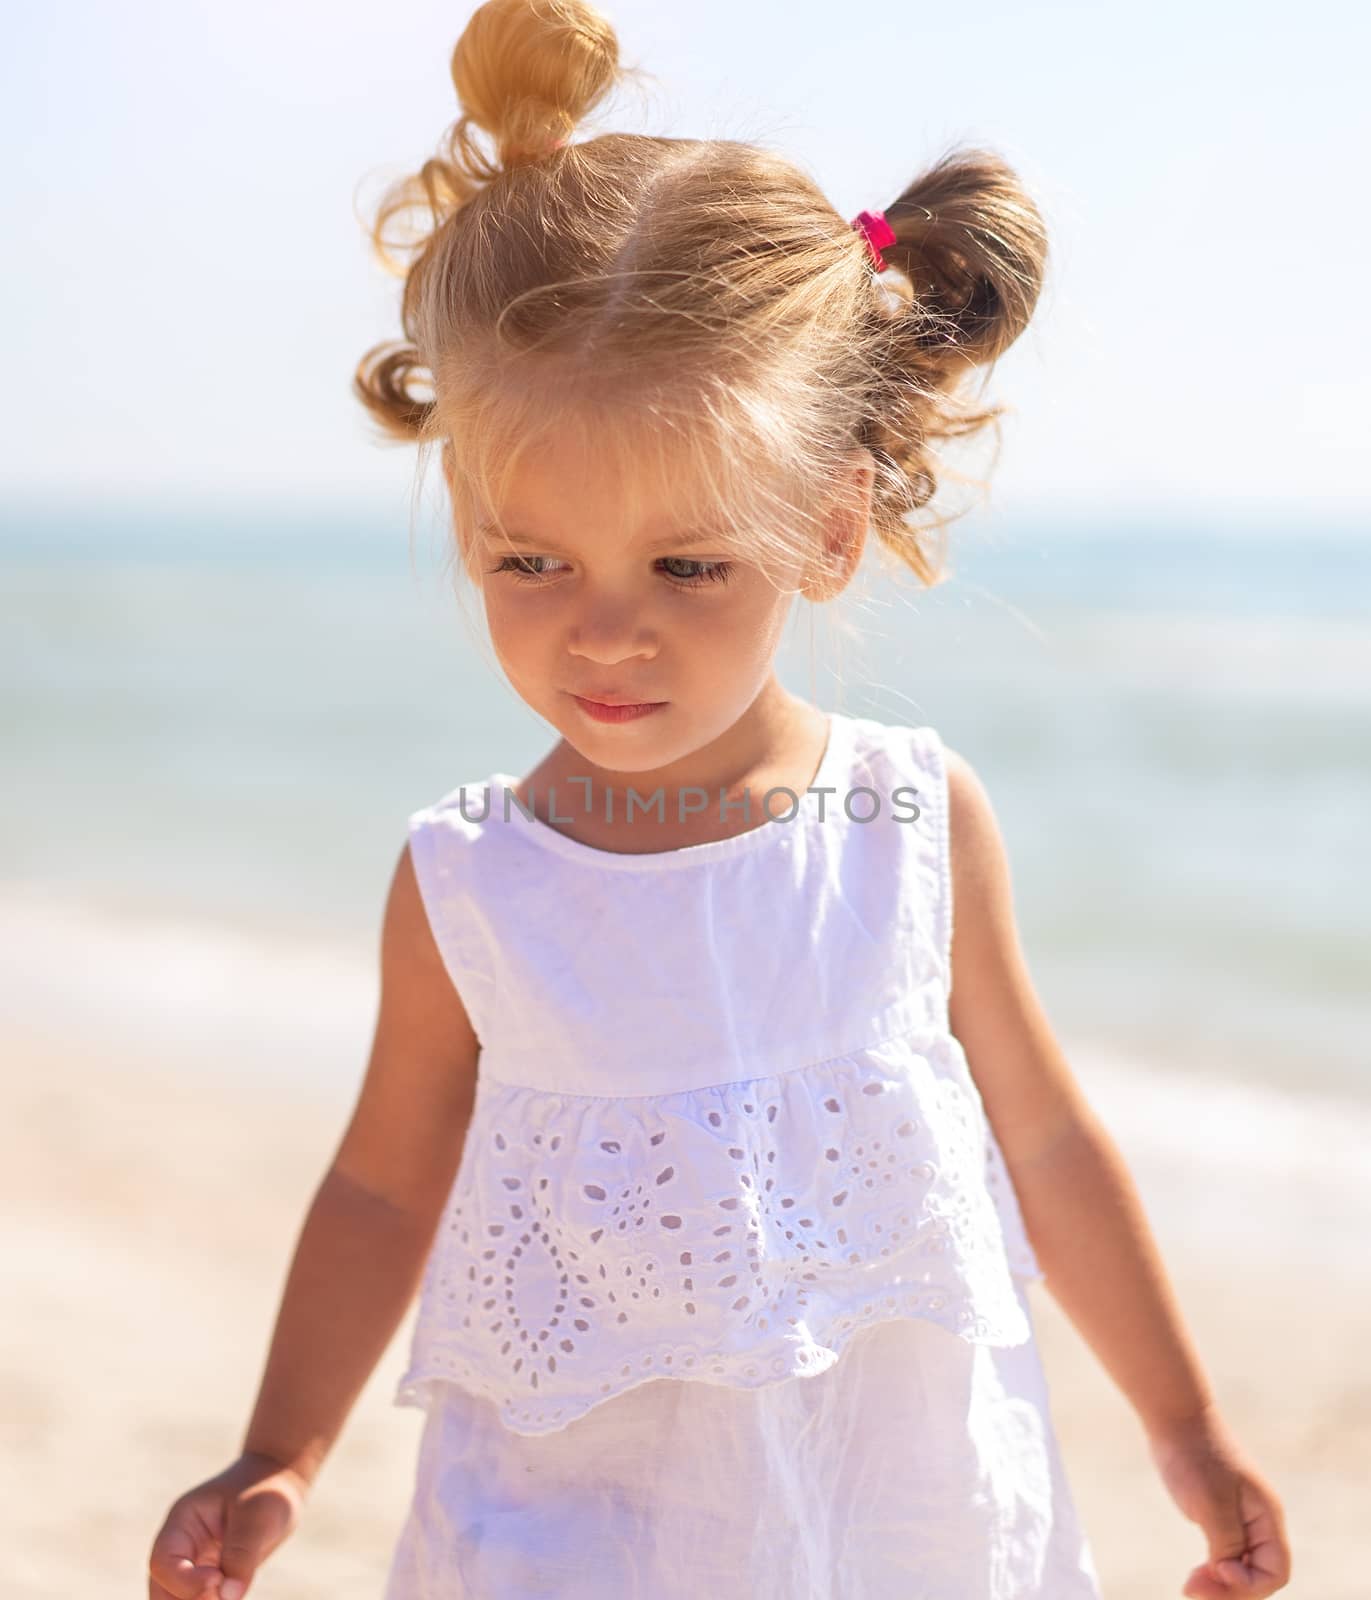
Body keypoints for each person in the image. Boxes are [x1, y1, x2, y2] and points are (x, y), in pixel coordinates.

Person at [146, 2, 1294, 1597]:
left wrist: (1186, 1426)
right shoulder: (476, 879)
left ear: (828, 533)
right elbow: (382, 1180)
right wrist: (281, 1454)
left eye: (689, 566)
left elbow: (1044, 1133)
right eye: (528, 562)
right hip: (573, 1541)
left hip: (903, 1527)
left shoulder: (910, 823)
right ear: (466, 520)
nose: (605, 630)